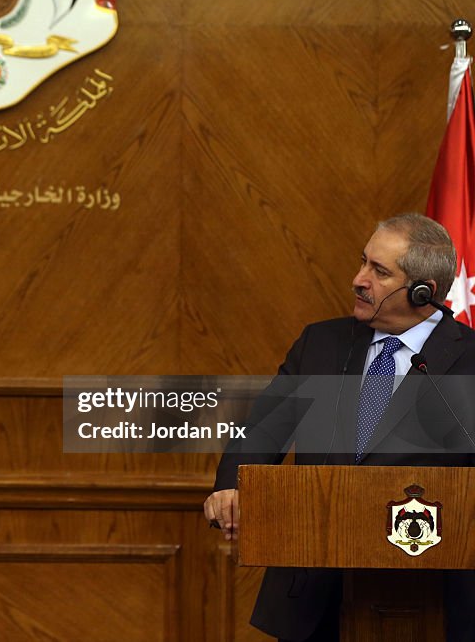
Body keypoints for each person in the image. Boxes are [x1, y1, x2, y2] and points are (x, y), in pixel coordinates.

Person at [203, 213, 475, 642]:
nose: (359, 279)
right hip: (315, 594)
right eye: (363, 262)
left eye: (379, 271)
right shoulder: (321, 344)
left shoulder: (470, 361)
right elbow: (262, 430)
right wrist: (230, 487)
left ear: (425, 293)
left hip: (432, 599)